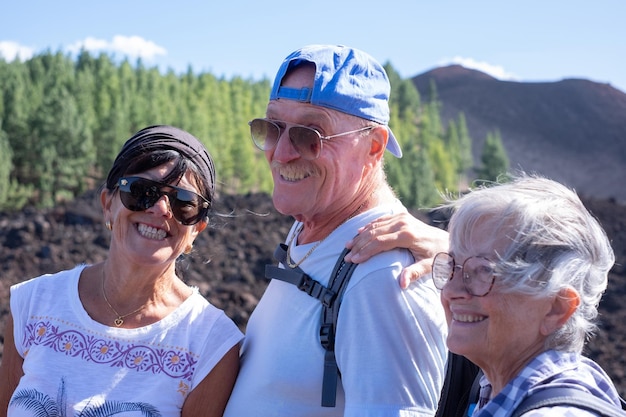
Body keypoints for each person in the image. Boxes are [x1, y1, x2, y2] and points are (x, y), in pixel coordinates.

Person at [223, 44, 448, 416]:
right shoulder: (312, 233)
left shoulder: (384, 278)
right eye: (272, 128)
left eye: (309, 135)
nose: (280, 153)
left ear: (373, 147)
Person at [0, 125, 243, 417]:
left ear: (196, 230)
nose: (160, 209)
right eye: (141, 192)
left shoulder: (211, 344)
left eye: (183, 203)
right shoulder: (32, 304)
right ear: (107, 204)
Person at [431, 174, 623, 415]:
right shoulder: (492, 392)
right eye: (452, 266)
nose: (451, 291)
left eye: (483, 271)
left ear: (557, 308)